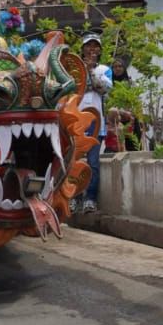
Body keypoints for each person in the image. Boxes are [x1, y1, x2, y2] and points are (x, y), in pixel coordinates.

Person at [73, 34, 111, 214]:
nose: (92, 49)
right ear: (83, 49)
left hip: (97, 123)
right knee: (74, 161)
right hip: (76, 121)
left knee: (93, 163)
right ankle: (74, 197)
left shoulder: (105, 69)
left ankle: (90, 199)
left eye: (96, 46)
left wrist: (91, 71)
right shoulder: (74, 69)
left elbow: (104, 88)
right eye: (89, 46)